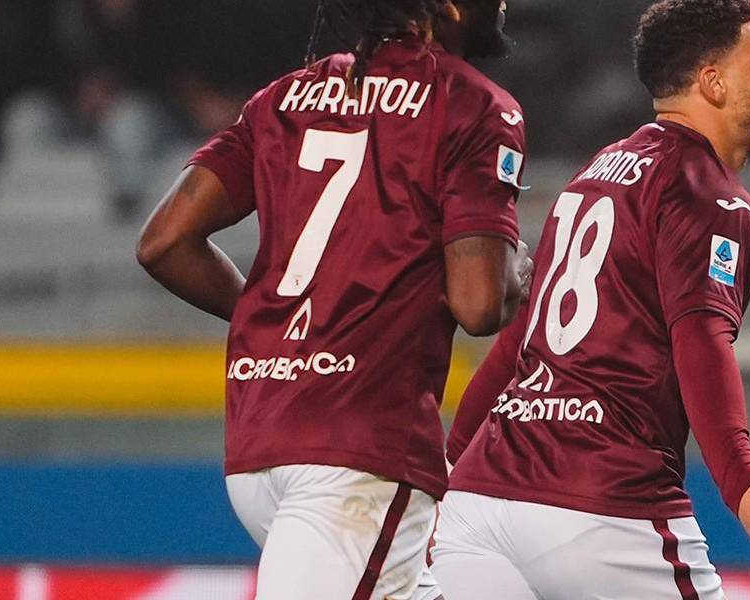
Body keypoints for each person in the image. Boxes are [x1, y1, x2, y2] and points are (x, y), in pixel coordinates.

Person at [136, 0, 531, 598]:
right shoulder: (473, 104)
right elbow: (478, 305)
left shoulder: (284, 97)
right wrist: (516, 279)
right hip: (356, 455)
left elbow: (165, 241)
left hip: (259, 442)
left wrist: (279, 327)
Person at [432, 1, 750, 598]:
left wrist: (452, 465)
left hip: (481, 503)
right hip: (605, 505)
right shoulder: (709, 196)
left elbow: (520, 342)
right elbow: (701, 343)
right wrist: (742, 484)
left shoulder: (597, 172)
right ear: (713, 82)